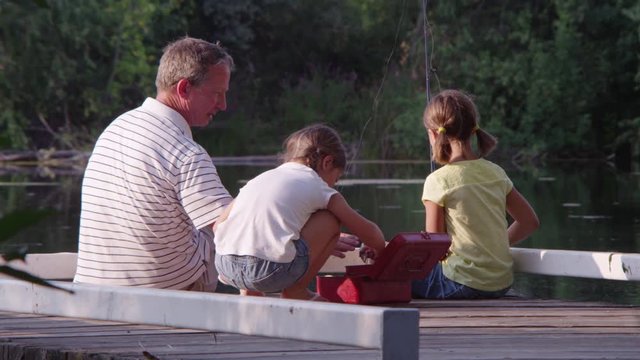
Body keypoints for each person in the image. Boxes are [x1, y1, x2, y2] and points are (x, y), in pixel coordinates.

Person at [73, 37, 235, 291]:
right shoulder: (186, 153)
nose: (223, 105)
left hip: (92, 289)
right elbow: (234, 230)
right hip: (164, 296)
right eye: (217, 94)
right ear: (184, 89)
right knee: (234, 231)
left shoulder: (116, 127)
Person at [213, 124, 387, 301]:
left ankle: (250, 293)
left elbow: (218, 225)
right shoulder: (318, 186)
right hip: (269, 271)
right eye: (336, 179)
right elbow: (372, 234)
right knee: (331, 219)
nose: (333, 185)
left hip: (226, 266)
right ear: (327, 162)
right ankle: (296, 291)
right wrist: (379, 249)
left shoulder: (259, 179)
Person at [412, 89, 539, 299]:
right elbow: (529, 221)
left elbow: (436, 247)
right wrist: (493, 246)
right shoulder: (496, 172)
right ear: (473, 129)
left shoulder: (438, 180)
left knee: (394, 279)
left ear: (433, 134)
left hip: (460, 283)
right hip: (501, 283)